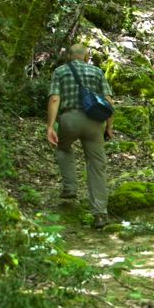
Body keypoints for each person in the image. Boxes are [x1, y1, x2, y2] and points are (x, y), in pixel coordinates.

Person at [46, 44, 114, 228]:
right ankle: (100, 214)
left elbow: (54, 98)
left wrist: (50, 126)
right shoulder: (97, 71)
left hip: (70, 119)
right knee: (96, 164)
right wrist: (109, 126)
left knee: (63, 147)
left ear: (68, 56)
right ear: (86, 57)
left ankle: (70, 188)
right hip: (95, 121)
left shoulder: (60, 71)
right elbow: (108, 101)